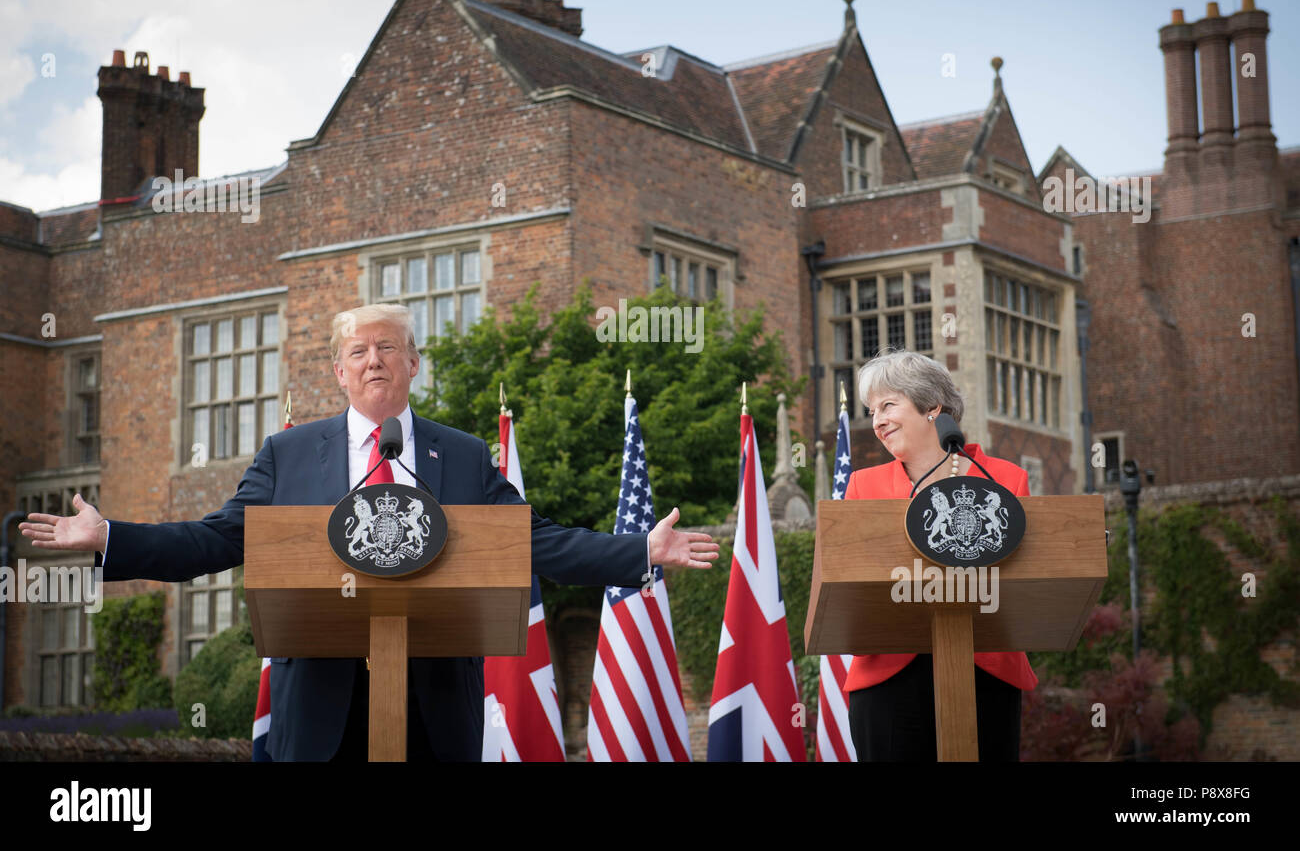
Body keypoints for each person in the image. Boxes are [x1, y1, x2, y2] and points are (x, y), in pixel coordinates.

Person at [20, 303, 718, 761]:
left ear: (414, 364)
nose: (374, 360)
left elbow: (534, 540)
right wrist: (112, 537)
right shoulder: (288, 456)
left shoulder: (466, 456)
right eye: (358, 351)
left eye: (389, 348)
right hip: (320, 710)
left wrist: (639, 551)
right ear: (339, 371)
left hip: (436, 711)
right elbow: (217, 540)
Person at [842, 347, 1036, 761]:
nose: (876, 421)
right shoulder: (863, 485)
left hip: (985, 668)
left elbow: (1027, 575)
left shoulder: (1005, 479)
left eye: (888, 405)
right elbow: (848, 579)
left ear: (932, 406)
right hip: (888, 676)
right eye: (871, 410)